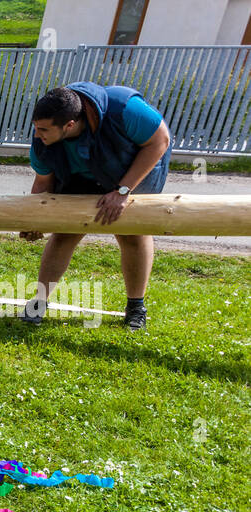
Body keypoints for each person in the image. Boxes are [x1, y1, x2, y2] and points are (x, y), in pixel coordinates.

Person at [19, 84, 172, 330]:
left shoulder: (124, 109)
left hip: (130, 169)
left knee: (132, 233)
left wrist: (123, 191)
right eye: (36, 127)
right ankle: (39, 301)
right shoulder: (43, 140)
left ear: (69, 125)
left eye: (44, 129)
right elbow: (43, 183)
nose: (37, 135)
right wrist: (36, 221)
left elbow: (160, 141)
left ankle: (135, 307)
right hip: (82, 176)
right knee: (64, 233)